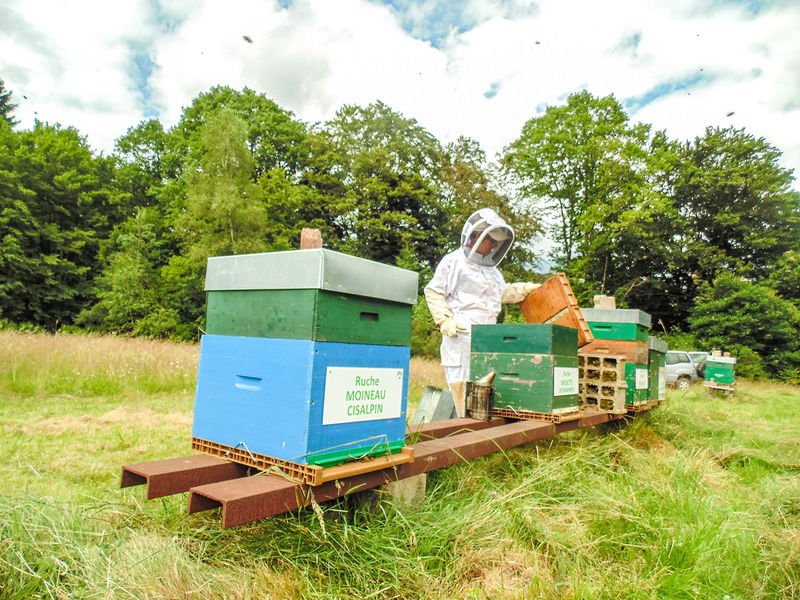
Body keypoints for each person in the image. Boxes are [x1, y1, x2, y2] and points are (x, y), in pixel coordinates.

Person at [424, 208, 539, 417]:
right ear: (477, 236)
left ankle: (478, 430)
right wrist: (444, 320)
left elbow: (500, 293)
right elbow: (433, 291)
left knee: (483, 393)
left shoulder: (492, 272)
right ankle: (461, 429)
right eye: (491, 241)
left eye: (497, 242)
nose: (494, 246)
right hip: (462, 337)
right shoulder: (454, 261)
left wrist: (525, 289)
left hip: (488, 339)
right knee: (462, 393)